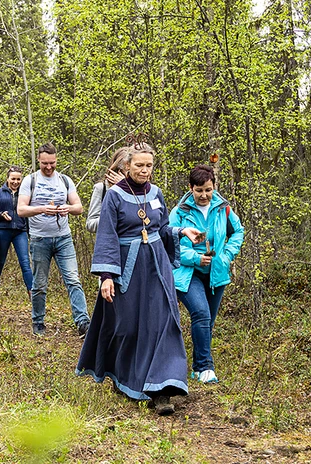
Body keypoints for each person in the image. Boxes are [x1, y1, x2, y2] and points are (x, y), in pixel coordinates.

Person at [76, 143, 204, 416]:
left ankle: (162, 390)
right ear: (126, 167)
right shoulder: (114, 195)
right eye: (139, 165)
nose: (145, 171)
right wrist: (107, 276)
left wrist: (182, 232)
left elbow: (162, 227)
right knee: (128, 328)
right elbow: (107, 236)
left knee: (164, 323)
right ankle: (125, 380)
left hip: (157, 267)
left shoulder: (156, 193)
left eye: (149, 166)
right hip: (128, 268)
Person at [169, 164, 244, 384]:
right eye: (199, 190)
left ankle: (195, 367)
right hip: (187, 272)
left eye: (208, 190)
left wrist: (227, 255)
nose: (204, 195)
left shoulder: (223, 208)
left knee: (207, 321)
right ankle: (205, 368)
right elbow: (169, 242)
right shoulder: (180, 212)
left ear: (214, 187)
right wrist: (194, 257)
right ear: (191, 188)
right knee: (200, 313)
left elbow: (238, 231)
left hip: (216, 272)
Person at [17, 143, 90, 337]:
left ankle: (83, 322)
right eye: (45, 164)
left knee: (73, 280)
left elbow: (79, 207)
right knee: (39, 283)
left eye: (52, 163)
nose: (49, 167)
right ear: (38, 161)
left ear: (57, 160)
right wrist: (41, 209)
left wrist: (67, 208)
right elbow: (21, 209)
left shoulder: (64, 180)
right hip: (40, 239)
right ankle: (38, 321)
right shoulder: (29, 180)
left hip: (63, 238)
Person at [0, 165, 32, 299]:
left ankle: (32, 292)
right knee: (0, 261)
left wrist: (30, 233)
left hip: (20, 231)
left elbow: (28, 213)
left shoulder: (25, 193)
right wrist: (0, 215)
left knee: (25, 262)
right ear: (7, 178)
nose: (15, 182)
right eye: (13, 179)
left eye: (18, 179)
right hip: (2, 231)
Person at [86, 147, 128, 233]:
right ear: (119, 170)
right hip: (110, 242)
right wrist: (113, 217)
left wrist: (127, 188)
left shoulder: (142, 189)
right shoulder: (101, 188)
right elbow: (90, 225)